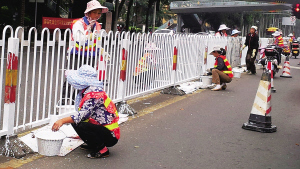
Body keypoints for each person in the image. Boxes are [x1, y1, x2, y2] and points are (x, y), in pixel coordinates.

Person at [52, 65, 120, 158]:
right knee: (75, 123)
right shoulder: (89, 89)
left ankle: (102, 149)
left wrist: (62, 121)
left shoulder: (94, 94)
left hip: (111, 135)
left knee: (81, 125)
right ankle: (93, 143)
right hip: (103, 130)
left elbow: (83, 116)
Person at [62, 0, 108, 104]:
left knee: (88, 80)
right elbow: (79, 39)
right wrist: (89, 36)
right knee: (72, 78)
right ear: (88, 12)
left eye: (99, 13)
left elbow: (98, 42)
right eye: (95, 12)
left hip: (90, 56)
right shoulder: (79, 23)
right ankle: (65, 102)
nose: (97, 15)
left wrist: (101, 51)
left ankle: (83, 103)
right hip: (76, 55)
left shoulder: (97, 25)